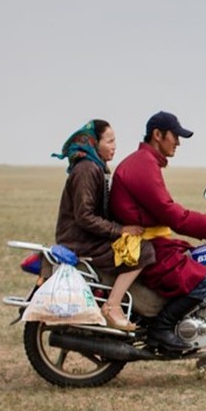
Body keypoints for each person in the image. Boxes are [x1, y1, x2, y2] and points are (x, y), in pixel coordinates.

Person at [110, 111, 206, 351]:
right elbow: (171, 214)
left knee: (195, 257)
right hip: (145, 246)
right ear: (158, 135)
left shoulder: (146, 163)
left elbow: (165, 211)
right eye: (174, 136)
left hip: (153, 240)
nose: (178, 142)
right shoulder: (142, 165)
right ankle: (161, 330)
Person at [49, 119, 153, 331]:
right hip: (79, 240)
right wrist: (120, 230)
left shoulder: (96, 166)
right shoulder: (87, 169)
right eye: (110, 141)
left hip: (86, 236)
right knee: (143, 250)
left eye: (115, 141)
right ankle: (112, 305)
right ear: (94, 143)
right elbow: (84, 216)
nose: (114, 146)